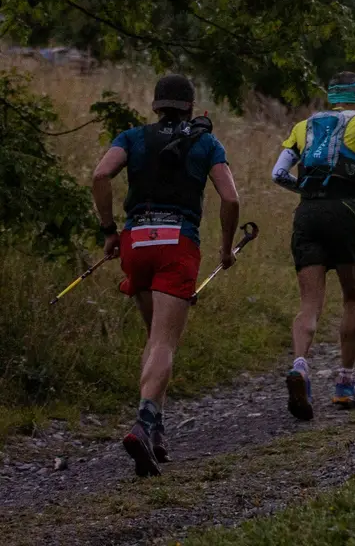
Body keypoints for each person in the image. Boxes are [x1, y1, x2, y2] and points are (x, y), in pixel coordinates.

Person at [91, 74, 240, 478]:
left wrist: (110, 231)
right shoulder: (207, 143)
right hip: (178, 243)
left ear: (155, 105)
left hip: (136, 242)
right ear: (191, 108)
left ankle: (156, 431)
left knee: (155, 338)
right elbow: (230, 198)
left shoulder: (132, 137)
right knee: (164, 343)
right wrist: (226, 249)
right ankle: (142, 422)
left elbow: (100, 176)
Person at [272, 70, 355, 419]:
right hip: (346, 209)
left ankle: (301, 365)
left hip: (308, 212)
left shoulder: (304, 126)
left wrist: (305, 190)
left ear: (331, 95)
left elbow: (277, 174)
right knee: (352, 297)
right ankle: (344, 384)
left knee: (309, 305)